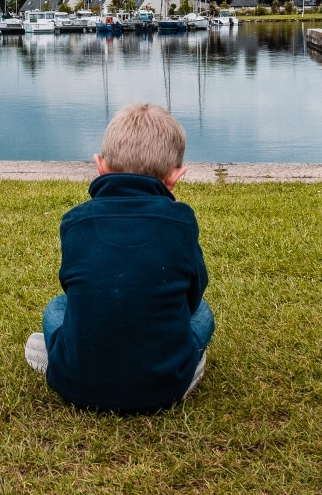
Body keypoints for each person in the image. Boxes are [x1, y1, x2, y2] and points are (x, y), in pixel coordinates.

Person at [24, 102, 213, 413]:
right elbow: (194, 294)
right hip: (162, 389)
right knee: (202, 314)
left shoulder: (75, 220)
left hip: (76, 384)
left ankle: (58, 355)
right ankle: (184, 366)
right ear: (176, 176)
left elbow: (73, 292)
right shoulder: (181, 220)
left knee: (57, 308)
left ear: (101, 165)